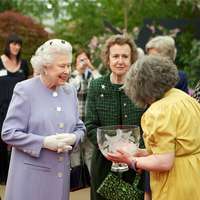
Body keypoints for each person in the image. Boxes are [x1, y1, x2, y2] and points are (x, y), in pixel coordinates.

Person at [106, 54, 200, 200]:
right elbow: (176, 146)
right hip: (194, 174)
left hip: (175, 182)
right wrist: (140, 152)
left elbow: (163, 162)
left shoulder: (159, 110)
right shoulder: (185, 98)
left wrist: (131, 160)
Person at [1, 39, 86, 200]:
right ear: (45, 67)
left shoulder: (70, 90)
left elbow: (80, 127)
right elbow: (9, 133)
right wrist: (44, 143)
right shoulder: (25, 89)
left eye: (69, 65)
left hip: (60, 179)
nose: (67, 71)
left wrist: (74, 137)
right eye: (62, 66)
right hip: (30, 181)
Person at [85, 33, 146, 200]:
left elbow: (149, 125)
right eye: (116, 56)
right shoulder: (97, 86)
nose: (120, 61)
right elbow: (90, 124)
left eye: (125, 56)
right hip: (105, 163)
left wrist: (134, 152)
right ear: (107, 59)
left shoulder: (141, 87)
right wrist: (111, 151)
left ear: (132, 59)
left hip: (136, 163)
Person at [0, 33, 29, 185]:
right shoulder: (0, 61)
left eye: (19, 44)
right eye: (13, 44)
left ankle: (16, 175)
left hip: (19, 110)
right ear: (8, 45)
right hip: (1, 110)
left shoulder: (23, 63)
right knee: (1, 144)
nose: (16, 47)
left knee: (19, 142)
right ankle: (3, 177)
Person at [68, 48, 101, 172]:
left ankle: (90, 177)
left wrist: (92, 68)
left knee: (90, 149)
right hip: (77, 116)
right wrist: (80, 73)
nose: (82, 62)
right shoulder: (73, 75)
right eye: (80, 59)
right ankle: (77, 176)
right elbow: (76, 89)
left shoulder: (93, 74)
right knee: (75, 147)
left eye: (84, 59)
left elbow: (99, 84)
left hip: (91, 116)